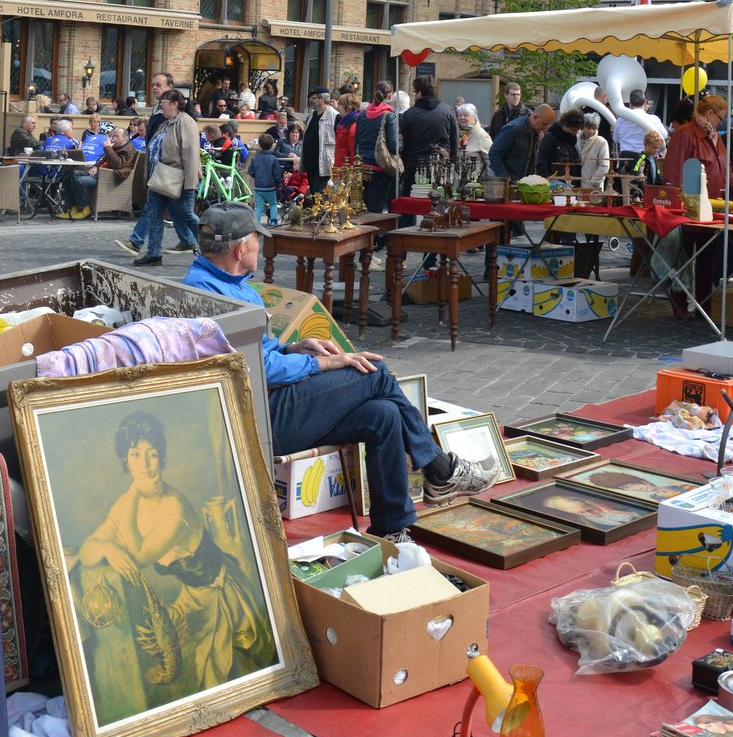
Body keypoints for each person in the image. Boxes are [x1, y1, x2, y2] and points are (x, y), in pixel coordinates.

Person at [183, 204, 499, 541]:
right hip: (259, 418)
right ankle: (440, 470)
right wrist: (321, 363)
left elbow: (258, 352)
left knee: (384, 414)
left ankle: (391, 528)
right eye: (257, 241)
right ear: (240, 247)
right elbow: (253, 369)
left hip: (269, 401)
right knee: (374, 371)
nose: (260, 247)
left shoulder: (228, 283)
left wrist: (293, 347)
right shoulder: (210, 295)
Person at [77, 409, 274, 713]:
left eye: (152, 454)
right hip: (191, 599)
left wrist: (127, 501)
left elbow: (139, 556)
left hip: (220, 597)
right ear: (125, 459)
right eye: (135, 454)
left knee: (215, 686)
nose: (144, 463)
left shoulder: (173, 506)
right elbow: (86, 551)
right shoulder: (129, 504)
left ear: (162, 458)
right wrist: (106, 548)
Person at [661, 95, 733, 318]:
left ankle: (704, 307)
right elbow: (673, 173)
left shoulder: (716, 138)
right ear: (709, 114)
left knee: (708, 259)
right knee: (684, 258)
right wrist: (680, 206)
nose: (722, 122)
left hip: (713, 210)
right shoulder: (686, 134)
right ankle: (680, 301)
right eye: (721, 117)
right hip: (689, 211)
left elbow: (727, 174)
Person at [123, 72, 197, 255]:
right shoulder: (162, 116)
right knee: (160, 212)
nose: (155, 88)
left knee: (182, 212)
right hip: (160, 174)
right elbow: (153, 144)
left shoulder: (181, 119)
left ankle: (213, 243)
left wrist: (190, 181)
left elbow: (189, 152)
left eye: (159, 85)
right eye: (153, 84)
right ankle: (155, 252)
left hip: (174, 175)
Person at [399, 75, 458, 191]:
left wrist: (406, 164)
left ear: (419, 93)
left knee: (412, 205)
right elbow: (454, 142)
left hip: (415, 166)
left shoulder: (409, 114)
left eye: (414, 92)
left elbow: (404, 145)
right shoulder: (449, 111)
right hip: (441, 168)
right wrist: (452, 163)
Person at [65, 126, 137, 220]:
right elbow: (102, 159)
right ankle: (73, 207)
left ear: (125, 138)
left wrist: (108, 148)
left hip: (108, 177)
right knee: (70, 175)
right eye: (112, 136)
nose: (113, 138)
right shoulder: (116, 146)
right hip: (100, 173)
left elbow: (118, 165)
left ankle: (84, 209)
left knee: (80, 181)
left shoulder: (128, 150)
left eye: (116, 136)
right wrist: (95, 166)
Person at [354, 82, 398, 215]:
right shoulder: (389, 115)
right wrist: (402, 143)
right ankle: (377, 236)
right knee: (376, 211)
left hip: (362, 166)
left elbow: (356, 141)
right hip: (380, 167)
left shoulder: (362, 115)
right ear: (390, 95)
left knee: (363, 209)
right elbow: (393, 145)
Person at [488, 104, 556, 181]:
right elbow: (494, 153)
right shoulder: (514, 128)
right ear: (535, 117)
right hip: (504, 181)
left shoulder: (535, 132)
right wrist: (505, 178)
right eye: (544, 124)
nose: (546, 128)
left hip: (519, 182)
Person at [300, 87, 337, 197]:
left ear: (322, 99)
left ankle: (322, 214)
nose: (311, 100)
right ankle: (316, 213)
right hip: (311, 162)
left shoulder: (334, 116)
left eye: (314, 98)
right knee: (314, 192)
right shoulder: (311, 116)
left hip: (324, 162)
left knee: (320, 191)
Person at [535, 108, 585, 179]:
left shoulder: (572, 139)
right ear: (564, 125)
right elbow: (541, 162)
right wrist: (547, 181)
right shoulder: (550, 138)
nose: (575, 133)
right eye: (573, 130)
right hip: (554, 181)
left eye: (577, 130)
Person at [248, 131, 284, 225]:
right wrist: (279, 183)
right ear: (272, 145)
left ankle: (256, 223)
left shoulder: (255, 158)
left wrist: (256, 177)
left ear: (260, 144)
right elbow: (277, 174)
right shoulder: (273, 159)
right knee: (273, 204)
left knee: (259, 205)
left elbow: (250, 171)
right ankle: (273, 221)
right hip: (270, 187)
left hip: (258, 187)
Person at [615, 89, 650, 173]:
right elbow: (663, 135)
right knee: (640, 184)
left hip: (624, 157)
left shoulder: (620, 119)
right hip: (642, 158)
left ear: (630, 103)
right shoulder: (652, 119)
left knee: (623, 183)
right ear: (645, 102)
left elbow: (616, 139)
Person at [578, 112, 611, 191]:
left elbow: (604, 165)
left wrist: (593, 182)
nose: (591, 131)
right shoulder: (576, 140)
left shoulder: (601, 142)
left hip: (593, 187)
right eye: (588, 128)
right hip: (576, 184)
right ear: (583, 127)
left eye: (594, 128)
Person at [456, 105, 493, 171]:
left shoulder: (482, 135)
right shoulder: (460, 134)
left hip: (476, 180)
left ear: (474, 118)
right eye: (460, 115)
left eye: (465, 115)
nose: (462, 118)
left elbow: (491, 162)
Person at [332, 92, 362, 169]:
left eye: (340, 105)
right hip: (340, 167)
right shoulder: (344, 123)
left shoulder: (353, 125)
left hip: (346, 170)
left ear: (348, 107)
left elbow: (353, 152)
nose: (338, 108)